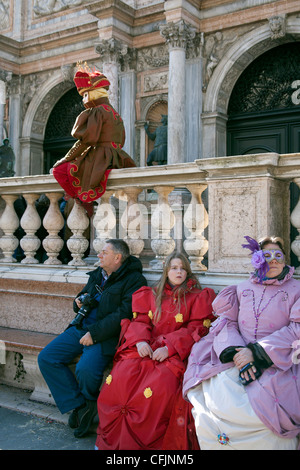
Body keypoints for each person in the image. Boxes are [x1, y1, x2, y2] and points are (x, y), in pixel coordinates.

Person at [183, 235, 300, 450]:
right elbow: (227, 323)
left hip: (277, 360)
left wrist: (256, 353)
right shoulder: (241, 288)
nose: (273, 261)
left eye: (278, 256)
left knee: (261, 414)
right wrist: (238, 353)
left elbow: (297, 330)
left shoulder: (296, 290)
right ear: (257, 259)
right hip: (237, 358)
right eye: (267, 255)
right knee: (215, 399)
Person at [95, 252, 216, 450]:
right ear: (166, 270)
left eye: (182, 268)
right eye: (174, 268)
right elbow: (141, 320)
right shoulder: (151, 294)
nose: (179, 272)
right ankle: (115, 440)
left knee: (159, 387)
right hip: (146, 348)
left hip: (175, 354)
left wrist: (170, 348)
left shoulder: (197, 297)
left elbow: (196, 328)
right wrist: (140, 342)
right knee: (122, 375)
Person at [38, 239, 147, 438]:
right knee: (47, 357)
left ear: (117, 257)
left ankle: (87, 402)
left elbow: (123, 314)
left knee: (86, 369)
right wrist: (77, 301)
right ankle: (80, 406)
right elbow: (85, 293)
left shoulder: (134, 280)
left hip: (105, 336)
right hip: (80, 327)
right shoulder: (99, 273)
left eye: (104, 252)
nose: (99, 255)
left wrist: (94, 334)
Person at [52, 62, 136, 217]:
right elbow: (121, 140)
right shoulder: (114, 113)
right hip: (116, 157)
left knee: (59, 171)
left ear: (93, 93)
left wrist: (66, 158)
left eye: (85, 95)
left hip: (100, 157)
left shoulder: (96, 111)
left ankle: (83, 201)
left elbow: (86, 141)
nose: (84, 100)